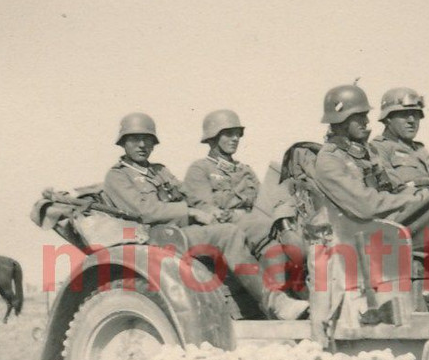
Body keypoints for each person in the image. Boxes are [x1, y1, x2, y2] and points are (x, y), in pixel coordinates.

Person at [103, 111, 307, 320]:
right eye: (134, 139)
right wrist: (190, 212)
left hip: (181, 230)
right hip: (157, 237)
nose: (142, 145)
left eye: (147, 139)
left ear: (154, 143)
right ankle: (275, 303)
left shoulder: (159, 171)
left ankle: (284, 293)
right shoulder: (117, 176)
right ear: (123, 143)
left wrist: (209, 210)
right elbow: (144, 211)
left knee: (261, 228)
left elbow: (187, 194)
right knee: (228, 234)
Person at [312, 85, 429, 257]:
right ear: (341, 119)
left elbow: (395, 187)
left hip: (390, 225)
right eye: (359, 116)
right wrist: (413, 200)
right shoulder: (329, 160)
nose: (367, 121)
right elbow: (367, 206)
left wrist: (423, 196)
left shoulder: (365, 153)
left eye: (365, 115)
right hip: (375, 235)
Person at [183, 109, 295, 256]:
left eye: (238, 134)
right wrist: (237, 215)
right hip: (228, 233)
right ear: (213, 137)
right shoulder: (200, 169)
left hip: (257, 227)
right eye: (229, 134)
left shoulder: (245, 170)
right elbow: (207, 210)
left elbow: (264, 202)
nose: (235, 138)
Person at [369, 87, 429, 195]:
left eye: (415, 114)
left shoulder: (420, 149)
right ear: (388, 119)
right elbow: (393, 190)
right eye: (404, 114)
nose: (412, 120)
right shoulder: (378, 148)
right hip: (413, 203)